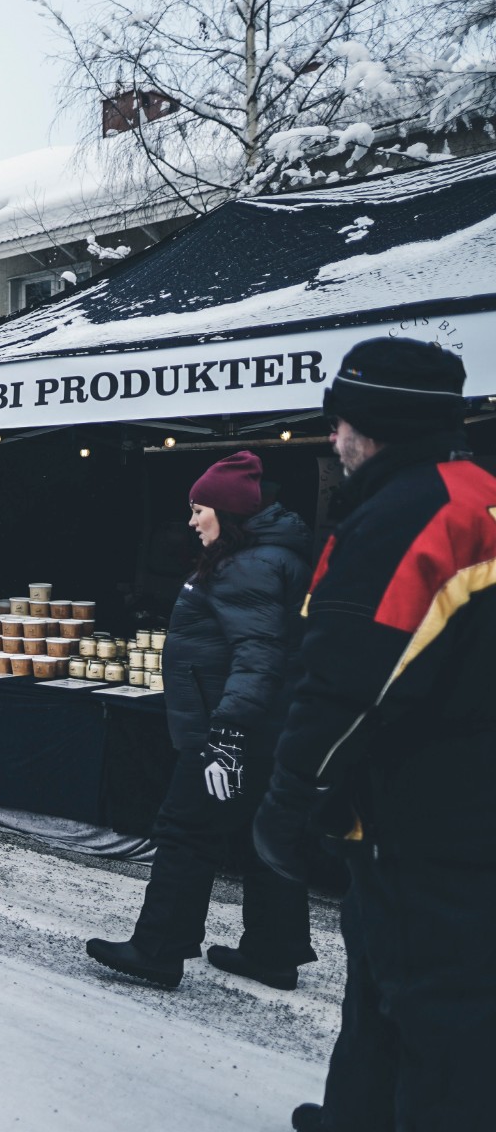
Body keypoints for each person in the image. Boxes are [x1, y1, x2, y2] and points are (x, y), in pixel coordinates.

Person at [246, 341, 496, 1132]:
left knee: (440, 1025)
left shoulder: (410, 514)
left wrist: (288, 803)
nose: (333, 438)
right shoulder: (481, 494)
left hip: (428, 824)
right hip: (458, 808)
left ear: (376, 422)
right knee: (378, 996)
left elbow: (347, 687)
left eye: (341, 420)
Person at [86, 452, 316, 990]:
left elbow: (257, 657)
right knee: (267, 834)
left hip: (230, 728)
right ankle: (272, 953)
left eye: (199, 509)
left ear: (228, 512)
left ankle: (158, 950)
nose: (191, 521)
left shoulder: (248, 566)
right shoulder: (270, 557)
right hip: (272, 728)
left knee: (185, 832)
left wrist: (227, 736)